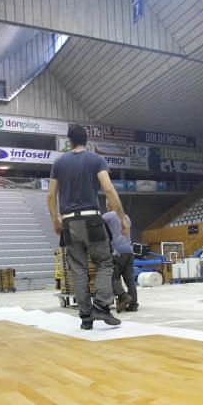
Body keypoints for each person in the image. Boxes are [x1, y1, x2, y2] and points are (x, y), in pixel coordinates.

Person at [48, 124, 129, 330]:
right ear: (86, 140)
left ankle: (86, 317)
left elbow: (50, 195)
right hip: (91, 219)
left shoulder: (59, 162)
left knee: (78, 268)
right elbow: (108, 189)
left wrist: (55, 221)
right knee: (104, 262)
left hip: (69, 222)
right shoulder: (96, 159)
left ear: (69, 141)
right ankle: (101, 306)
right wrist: (122, 218)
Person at [103, 204, 137, 312]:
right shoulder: (126, 217)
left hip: (117, 252)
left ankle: (123, 296)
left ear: (108, 205)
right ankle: (133, 304)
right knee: (130, 280)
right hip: (129, 251)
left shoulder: (107, 216)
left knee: (110, 277)